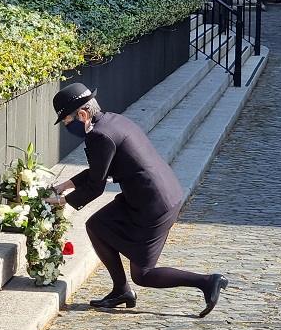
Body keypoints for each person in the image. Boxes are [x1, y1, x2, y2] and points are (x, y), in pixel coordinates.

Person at [48, 83, 230, 317]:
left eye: (66, 122)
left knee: (143, 274)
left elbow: (95, 187)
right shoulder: (111, 121)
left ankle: (208, 281)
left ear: (82, 115)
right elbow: (98, 170)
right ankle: (121, 290)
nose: (67, 127)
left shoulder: (99, 136)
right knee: (96, 225)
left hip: (155, 205)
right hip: (148, 194)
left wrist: (61, 202)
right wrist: (64, 186)